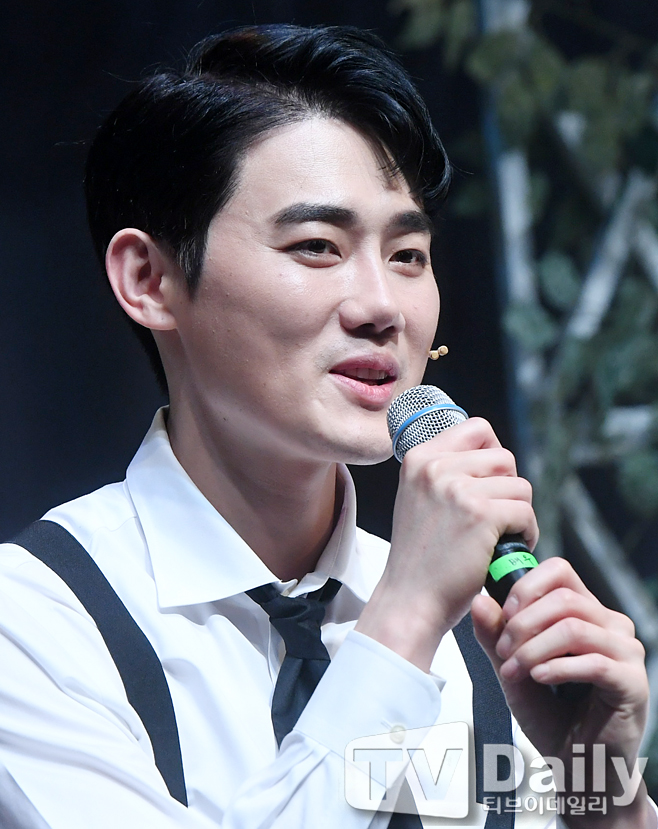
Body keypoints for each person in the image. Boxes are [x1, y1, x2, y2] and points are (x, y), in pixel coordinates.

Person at [0, 23, 654, 829]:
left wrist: (605, 798)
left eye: (408, 255)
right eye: (317, 246)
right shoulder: (38, 621)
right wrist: (405, 619)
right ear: (151, 279)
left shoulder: (481, 634)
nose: (382, 306)